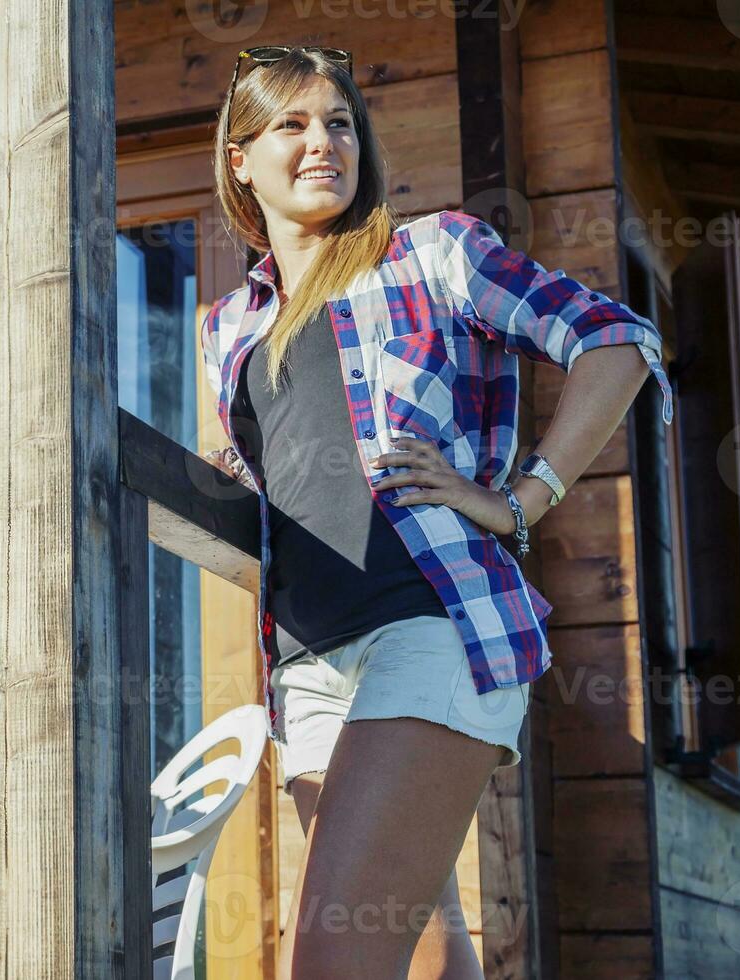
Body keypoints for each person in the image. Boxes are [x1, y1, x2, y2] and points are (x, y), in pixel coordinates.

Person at [202, 45, 673, 978]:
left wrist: (517, 500)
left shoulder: (433, 254)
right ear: (240, 158)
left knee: (334, 959)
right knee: (423, 950)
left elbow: (615, 342)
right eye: (291, 125)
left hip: (431, 627)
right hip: (307, 665)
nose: (323, 142)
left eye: (338, 122)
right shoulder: (228, 326)